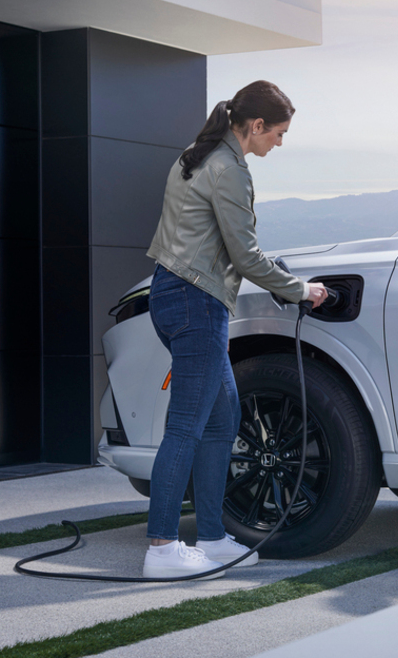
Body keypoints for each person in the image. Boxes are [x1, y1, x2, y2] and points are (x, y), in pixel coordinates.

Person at [141, 80, 329, 579]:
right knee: (186, 426)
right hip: (197, 303)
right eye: (279, 133)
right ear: (256, 125)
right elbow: (244, 254)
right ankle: (161, 547)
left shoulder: (195, 155)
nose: (280, 143)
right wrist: (298, 289)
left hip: (172, 293)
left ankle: (213, 538)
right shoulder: (229, 170)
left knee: (223, 420)